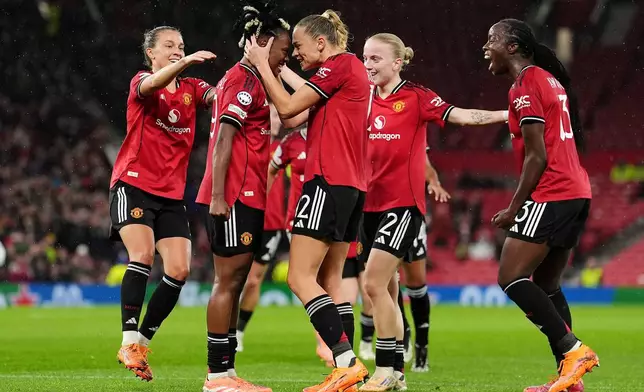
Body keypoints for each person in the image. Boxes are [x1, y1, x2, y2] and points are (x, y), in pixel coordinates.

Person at [358, 32, 507, 391]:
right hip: (368, 207)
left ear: (397, 62)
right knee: (388, 291)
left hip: (403, 206)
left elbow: (463, 116)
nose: (368, 65)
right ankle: (397, 374)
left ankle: (383, 371)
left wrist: (506, 114)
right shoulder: (361, 100)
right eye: (365, 58)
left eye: (376, 59)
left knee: (373, 284)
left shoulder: (417, 97)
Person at [244, 10, 370, 391]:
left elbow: (286, 110)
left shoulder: (341, 65)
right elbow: (299, 113)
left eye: (298, 46)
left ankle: (346, 362)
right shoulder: (346, 75)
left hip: (326, 182)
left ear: (320, 42)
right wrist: (278, 69)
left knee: (300, 277)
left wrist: (262, 65)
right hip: (351, 186)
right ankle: (343, 368)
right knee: (331, 280)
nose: (295, 53)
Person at [483, 18, 599, 392]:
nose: (486, 47)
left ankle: (574, 349)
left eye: (492, 41)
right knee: (547, 283)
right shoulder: (547, 79)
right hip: (577, 189)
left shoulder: (524, 85)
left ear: (513, 46)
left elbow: (536, 155)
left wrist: (515, 207)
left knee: (510, 277)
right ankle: (570, 378)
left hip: (552, 191)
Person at [109, 25, 216, 381]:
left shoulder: (191, 89)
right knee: (141, 255)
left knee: (180, 270)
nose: (176, 50)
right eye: (169, 45)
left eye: (181, 45)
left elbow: (218, 96)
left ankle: (140, 341)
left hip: (170, 196)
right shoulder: (142, 82)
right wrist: (185, 61)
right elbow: (152, 85)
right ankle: (126, 339)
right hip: (134, 186)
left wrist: (250, 72)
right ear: (151, 53)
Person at [195, 3, 290, 391]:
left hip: (246, 192)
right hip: (233, 194)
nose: (285, 58)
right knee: (227, 281)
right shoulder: (242, 81)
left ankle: (228, 372)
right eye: (283, 50)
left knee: (234, 282)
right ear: (263, 43)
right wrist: (219, 196)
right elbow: (222, 141)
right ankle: (217, 377)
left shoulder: (253, 79)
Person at [236, 104, 287, 353]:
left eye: (277, 116)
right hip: (245, 217)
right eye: (271, 116)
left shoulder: (285, 148)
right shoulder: (249, 145)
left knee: (254, 281)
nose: (275, 120)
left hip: (272, 223)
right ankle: (222, 331)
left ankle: (238, 332)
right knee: (235, 278)